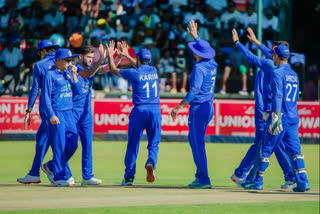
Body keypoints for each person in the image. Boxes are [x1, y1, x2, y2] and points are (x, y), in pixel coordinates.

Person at [230, 28, 296, 189]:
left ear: (276, 55)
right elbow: (266, 52)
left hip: (269, 112)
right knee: (273, 146)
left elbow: (250, 57)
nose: (270, 53)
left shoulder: (269, 65)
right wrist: (256, 42)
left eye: (272, 52)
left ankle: (250, 177)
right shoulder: (282, 66)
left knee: (265, 145)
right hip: (275, 112)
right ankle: (288, 177)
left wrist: (238, 43)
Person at [245, 42, 310, 192]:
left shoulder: (277, 72)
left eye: (273, 54)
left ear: (277, 56)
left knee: (267, 148)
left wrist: (275, 114)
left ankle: (258, 181)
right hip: (294, 117)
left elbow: (278, 95)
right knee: (296, 151)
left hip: (281, 116)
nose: (272, 57)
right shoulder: (294, 74)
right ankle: (303, 182)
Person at [106, 40, 161, 186]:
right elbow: (141, 65)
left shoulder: (133, 73)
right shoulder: (154, 71)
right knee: (154, 143)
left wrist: (111, 55)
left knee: (133, 144)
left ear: (138, 59)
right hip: (155, 110)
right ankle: (151, 162)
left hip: (140, 110)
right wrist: (127, 56)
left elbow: (112, 69)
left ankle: (129, 177)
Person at [171, 20, 217, 189]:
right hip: (208, 107)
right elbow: (206, 48)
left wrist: (179, 107)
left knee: (197, 142)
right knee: (194, 140)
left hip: (199, 108)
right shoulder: (212, 63)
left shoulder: (199, 68)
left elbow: (193, 91)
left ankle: (203, 178)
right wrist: (196, 37)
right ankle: (201, 175)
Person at [17, 40, 59, 184]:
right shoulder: (62, 61)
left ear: (44, 51)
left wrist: (28, 109)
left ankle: (59, 174)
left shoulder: (40, 66)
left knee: (56, 141)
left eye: (40, 52)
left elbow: (35, 89)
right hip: (63, 105)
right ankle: (34, 173)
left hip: (48, 108)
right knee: (42, 141)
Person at [42, 48, 80, 187]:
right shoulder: (50, 75)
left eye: (71, 60)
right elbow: (45, 97)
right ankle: (58, 177)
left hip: (69, 113)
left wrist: (74, 75)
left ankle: (51, 166)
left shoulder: (68, 75)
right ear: (58, 60)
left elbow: (78, 92)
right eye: (67, 60)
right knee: (59, 146)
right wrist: (51, 114)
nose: (70, 62)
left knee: (73, 143)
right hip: (57, 112)